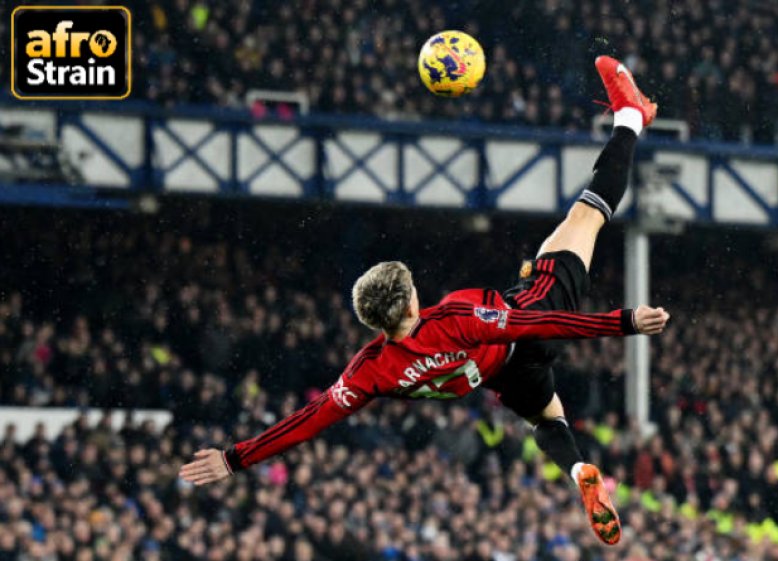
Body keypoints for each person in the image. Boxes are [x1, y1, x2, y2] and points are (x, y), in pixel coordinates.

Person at [180, 55, 665, 546]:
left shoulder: (371, 370)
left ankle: (578, 466)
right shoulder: (454, 316)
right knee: (588, 213)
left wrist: (235, 458)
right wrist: (624, 322)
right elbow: (529, 326)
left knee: (547, 417)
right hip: (531, 319)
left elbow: (308, 420)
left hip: (501, 375)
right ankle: (630, 115)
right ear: (412, 303)